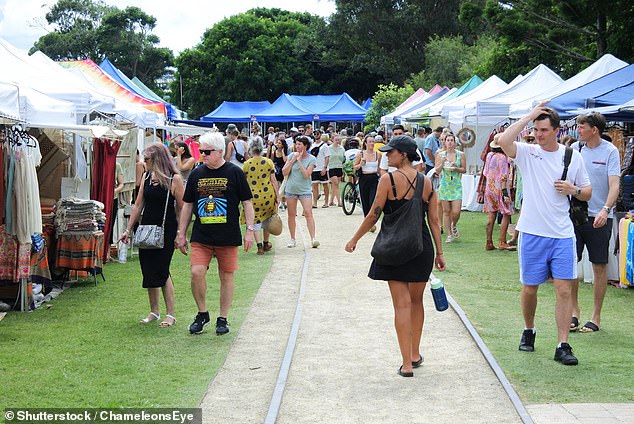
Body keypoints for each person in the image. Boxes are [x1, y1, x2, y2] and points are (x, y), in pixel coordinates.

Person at [497, 102, 591, 366]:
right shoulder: (527, 152)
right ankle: (529, 329)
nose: (538, 135)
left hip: (562, 233)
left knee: (563, 290)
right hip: (531, 231)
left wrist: (572, 189)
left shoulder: (572, 156)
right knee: (530, 288)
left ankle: (563, 344)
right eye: (536, 130)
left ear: (557, 131)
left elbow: (587, 191)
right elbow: (503, 140)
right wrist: (529, 115)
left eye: (544, 130)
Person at [345, 135, 445, 377]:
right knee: (417, 302)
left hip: (394, 248)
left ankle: (406, 364)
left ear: (403, 154)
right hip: (421, 246)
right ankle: (414, 353)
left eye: (391, 152)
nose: (387, 156)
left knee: (401, 306)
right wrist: (439, 252)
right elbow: (434, 221)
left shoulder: (387, 181)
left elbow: (373, 215)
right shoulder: (426, 182)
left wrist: (354, 239)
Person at [175, 132, 255, 335]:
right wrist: (181, 233)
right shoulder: (196, 173)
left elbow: (247, 202)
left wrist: (250, 231)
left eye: (207, 152)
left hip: (227, 235)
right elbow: (187, 204)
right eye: (201, 151)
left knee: (226, 277)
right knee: (196, 272)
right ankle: (202, 314)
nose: (203, 155)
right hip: (202, 236)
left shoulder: (234, 172)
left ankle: (223, 318)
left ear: (220, 152)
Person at [119, 142, 185, 327]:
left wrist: (181, 233)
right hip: (147, 228)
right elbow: (138, 205)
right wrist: (127, 229)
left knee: (162, 270)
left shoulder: (174, 179)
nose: (143, 162)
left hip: (166, 229)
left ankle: (170, 314)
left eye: (147, 159)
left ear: (157, 158)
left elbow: (182, 207)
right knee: (148, 269)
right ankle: (154, 311)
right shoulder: (147, 176)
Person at [570, 112, 620, 333]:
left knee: (599, 265)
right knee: (570, 263)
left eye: (582, 127)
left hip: (600, 215)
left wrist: (605, 209)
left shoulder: (610, 151)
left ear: (594, 130)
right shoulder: (574, 150)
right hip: (575, 215)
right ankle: (574, 312)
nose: (578, 130)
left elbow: (615, 185)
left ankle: (595, 317)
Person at [242, 142, 279, 255]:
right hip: (268, 194)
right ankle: (266, 242)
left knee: (256, 220)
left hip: (253, 196)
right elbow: (273, 180)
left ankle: (259, 247)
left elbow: (243, 182)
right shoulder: (268, 162)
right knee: (267, 218)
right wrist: (277, 195)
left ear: (251, 150)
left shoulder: (247, 164)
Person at [282, 136, 319, 248]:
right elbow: (284, 172)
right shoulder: (291, 156)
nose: (297, 146)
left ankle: (313, 238)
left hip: (305, 190)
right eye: (296, 144)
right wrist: (293, 160)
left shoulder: (311, 159)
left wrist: (300, 161)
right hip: (291, 189)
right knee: (291, 215)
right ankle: (292, 238)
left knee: (308, 213)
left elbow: (306, 174)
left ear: (305, 145)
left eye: (299, 144)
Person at [483, 134, 515, 251]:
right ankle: (502, 241)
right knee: (506, 214)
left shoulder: (489, 155)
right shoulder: (503, 158)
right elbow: (503, 176)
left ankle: (489, 242)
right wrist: (505, 193)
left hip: (489, 188)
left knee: (491, 215)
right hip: (500, 189)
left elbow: (485, 173)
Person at [434, 133, 465, 243]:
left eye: (452, 140)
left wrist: (456, 168)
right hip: (445, 184)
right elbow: (436, 171)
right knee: (446, 211)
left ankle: (454, 224)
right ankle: (449, 234)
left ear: (455, 143)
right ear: (445, 142)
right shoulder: (440, 154)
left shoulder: (460, 154)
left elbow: (464, 169)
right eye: (448, 140)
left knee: (456, 211)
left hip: (456, 185)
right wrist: (442, 163)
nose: (450, 142)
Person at [354, 135, 382, 227]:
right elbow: (354, 167)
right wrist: (360, 165)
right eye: (370, 142)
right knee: (365, 201)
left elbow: (379, 169)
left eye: (373, 142)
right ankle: (367, 221)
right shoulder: (361, 154)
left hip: (374, 178)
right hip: (364, 178)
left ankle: (372, 221)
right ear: (365, 143)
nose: (372, 144)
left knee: (372, 200)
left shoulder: (378, 155)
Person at [310, 129, 331, 208]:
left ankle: (326, 202)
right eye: (314, 133)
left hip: (322, 167)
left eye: (317, 133)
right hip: (314, 168)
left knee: (325, 185)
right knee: (314, 185)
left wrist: (325, 167)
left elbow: (327, 157)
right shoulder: (312, 145)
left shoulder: (325, 146)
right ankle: (314, 202)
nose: (316, 135)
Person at [327, 134, 345, 207]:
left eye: (338, 140)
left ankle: (331, 201)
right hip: (331, 167)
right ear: (332, 140)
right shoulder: (329, 148)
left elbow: (343, 158)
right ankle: (339, 201)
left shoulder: (342, 148)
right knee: (336, 183)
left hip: (339, 167)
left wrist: (343, 167)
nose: (337, 141)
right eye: (336, 140)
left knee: (335, 185)